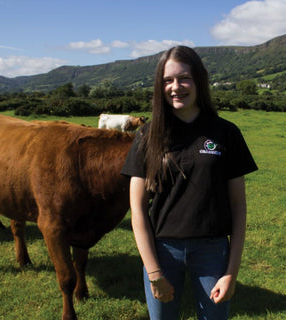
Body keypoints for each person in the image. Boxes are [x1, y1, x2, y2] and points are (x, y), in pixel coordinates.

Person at [121, 46, 258, 320]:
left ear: (199, 81)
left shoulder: (226, 132)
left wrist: (231, 272)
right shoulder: (147, 135)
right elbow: (137, 210)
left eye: (184, 78)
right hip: (161, 253)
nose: (176, 87)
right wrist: (154, 271)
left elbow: (238, 207)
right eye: (168, 80)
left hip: (212, 252)